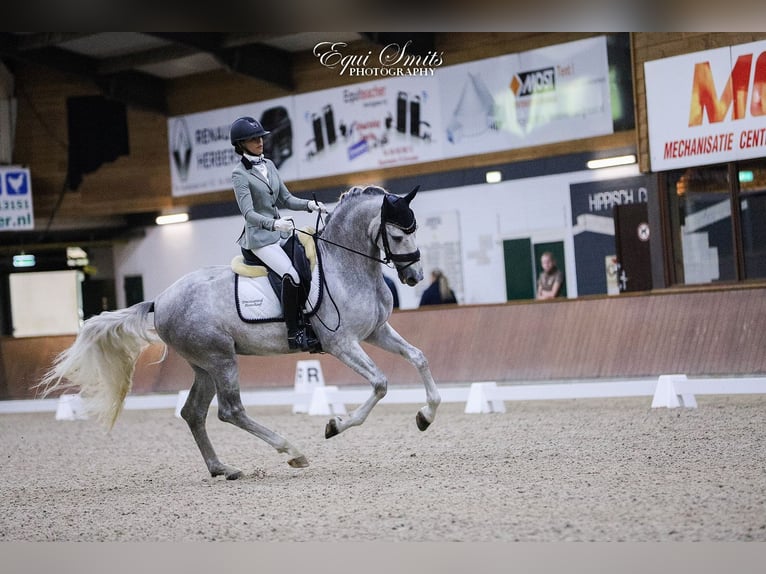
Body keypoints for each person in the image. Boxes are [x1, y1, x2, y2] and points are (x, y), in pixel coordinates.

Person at [230, 116, 328, 350]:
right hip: (259, 238)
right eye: (253, 139)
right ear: (241, 144)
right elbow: (249, 213)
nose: (260, 142)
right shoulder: (239, 174)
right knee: (291, 275)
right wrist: (274, 225)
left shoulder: (270, 165)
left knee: (305, 264)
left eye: (260, 137)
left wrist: (308, 205)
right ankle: (294, 333)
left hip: (279, 234)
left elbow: (285, 198)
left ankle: (310, 320)